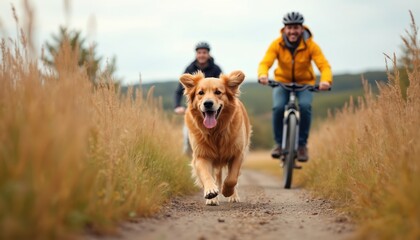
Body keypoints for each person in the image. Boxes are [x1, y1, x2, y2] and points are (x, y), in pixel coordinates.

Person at [257, 11, 332, 162]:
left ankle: (302, 145)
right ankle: (279, 144)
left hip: (305, 83)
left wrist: (325, 81)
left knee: (304, 107)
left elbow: (324, 65)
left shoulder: (311, 45)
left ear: (302, 29)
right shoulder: (277, 44)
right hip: (282, 82)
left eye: (296, 28)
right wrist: (263, 75)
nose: (292, 31)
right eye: (289, 28)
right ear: (284, 29)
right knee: (278, 108)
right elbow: (265, 62)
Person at [174, 42, 223, 155]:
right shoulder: (189, 68)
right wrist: (177, 106)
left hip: (215, 107)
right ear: (196, 54)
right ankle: (193, 156)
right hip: (196, 107)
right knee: (187, 135)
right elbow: (179, 90)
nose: (202, 55)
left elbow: (224, 87)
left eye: (204, 52)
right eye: (199, 52)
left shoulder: (216, 69)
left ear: (208, 54)